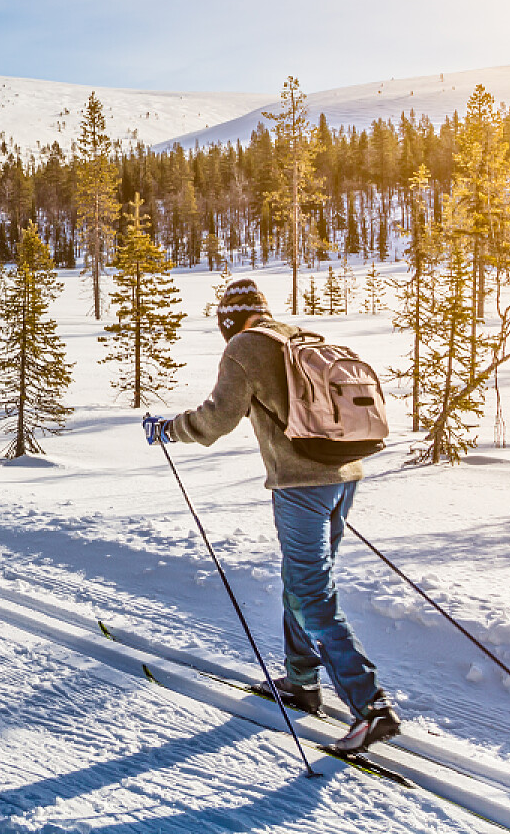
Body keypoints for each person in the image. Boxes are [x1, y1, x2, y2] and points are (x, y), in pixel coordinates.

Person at [143, 277, 400, 754]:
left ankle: (371, 707)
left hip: (302, 484)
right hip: (344, 476)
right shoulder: (296, 336)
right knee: (302, 583)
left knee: (310, 591)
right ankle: (302, 681)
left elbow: (216, 420)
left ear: (228, 321)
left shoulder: (244, 346)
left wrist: (166, 430)